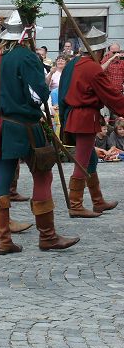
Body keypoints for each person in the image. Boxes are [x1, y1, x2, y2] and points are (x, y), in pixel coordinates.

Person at [0, 10, 79, 254]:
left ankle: (3, 240)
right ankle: (47, 236)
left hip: (1, 126)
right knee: (43, 176)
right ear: (27, 34)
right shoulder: (26, 57)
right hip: (26, 127)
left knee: (2, 179)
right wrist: (42, 88)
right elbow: (37, 96)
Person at [58, 27, 124, 218]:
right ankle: (76, 205)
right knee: (83, 160)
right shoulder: (93, 68)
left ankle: (97, 201)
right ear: (98, 51)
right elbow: (111, 96)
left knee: (91, 158)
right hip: (85, 117)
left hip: (73, 115)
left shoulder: (73, 64)